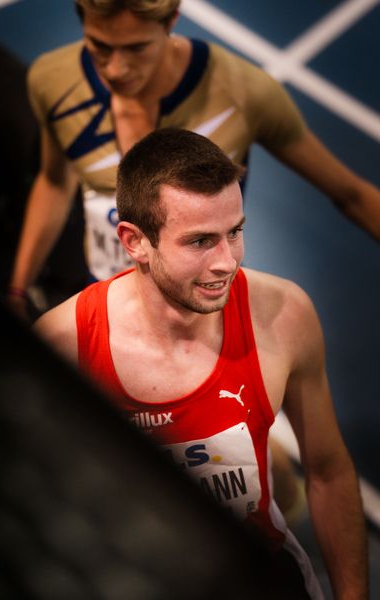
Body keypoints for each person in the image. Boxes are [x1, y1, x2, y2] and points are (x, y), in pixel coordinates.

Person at [35, 129, 368, 600]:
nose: (226, 262)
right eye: (199, 242)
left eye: (234, 232)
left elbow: (329, 470)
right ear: (134, 241)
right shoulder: (64, 346)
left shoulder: (285, 315)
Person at [7, 0, 380, 318]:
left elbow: (351, 194)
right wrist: (18, 290)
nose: (116, 69)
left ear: (171, 20)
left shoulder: (245, 92)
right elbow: (55, 182)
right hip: (109, 298)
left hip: (207, 304)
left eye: (136, 48)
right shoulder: (51, 81)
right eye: (100, 46)